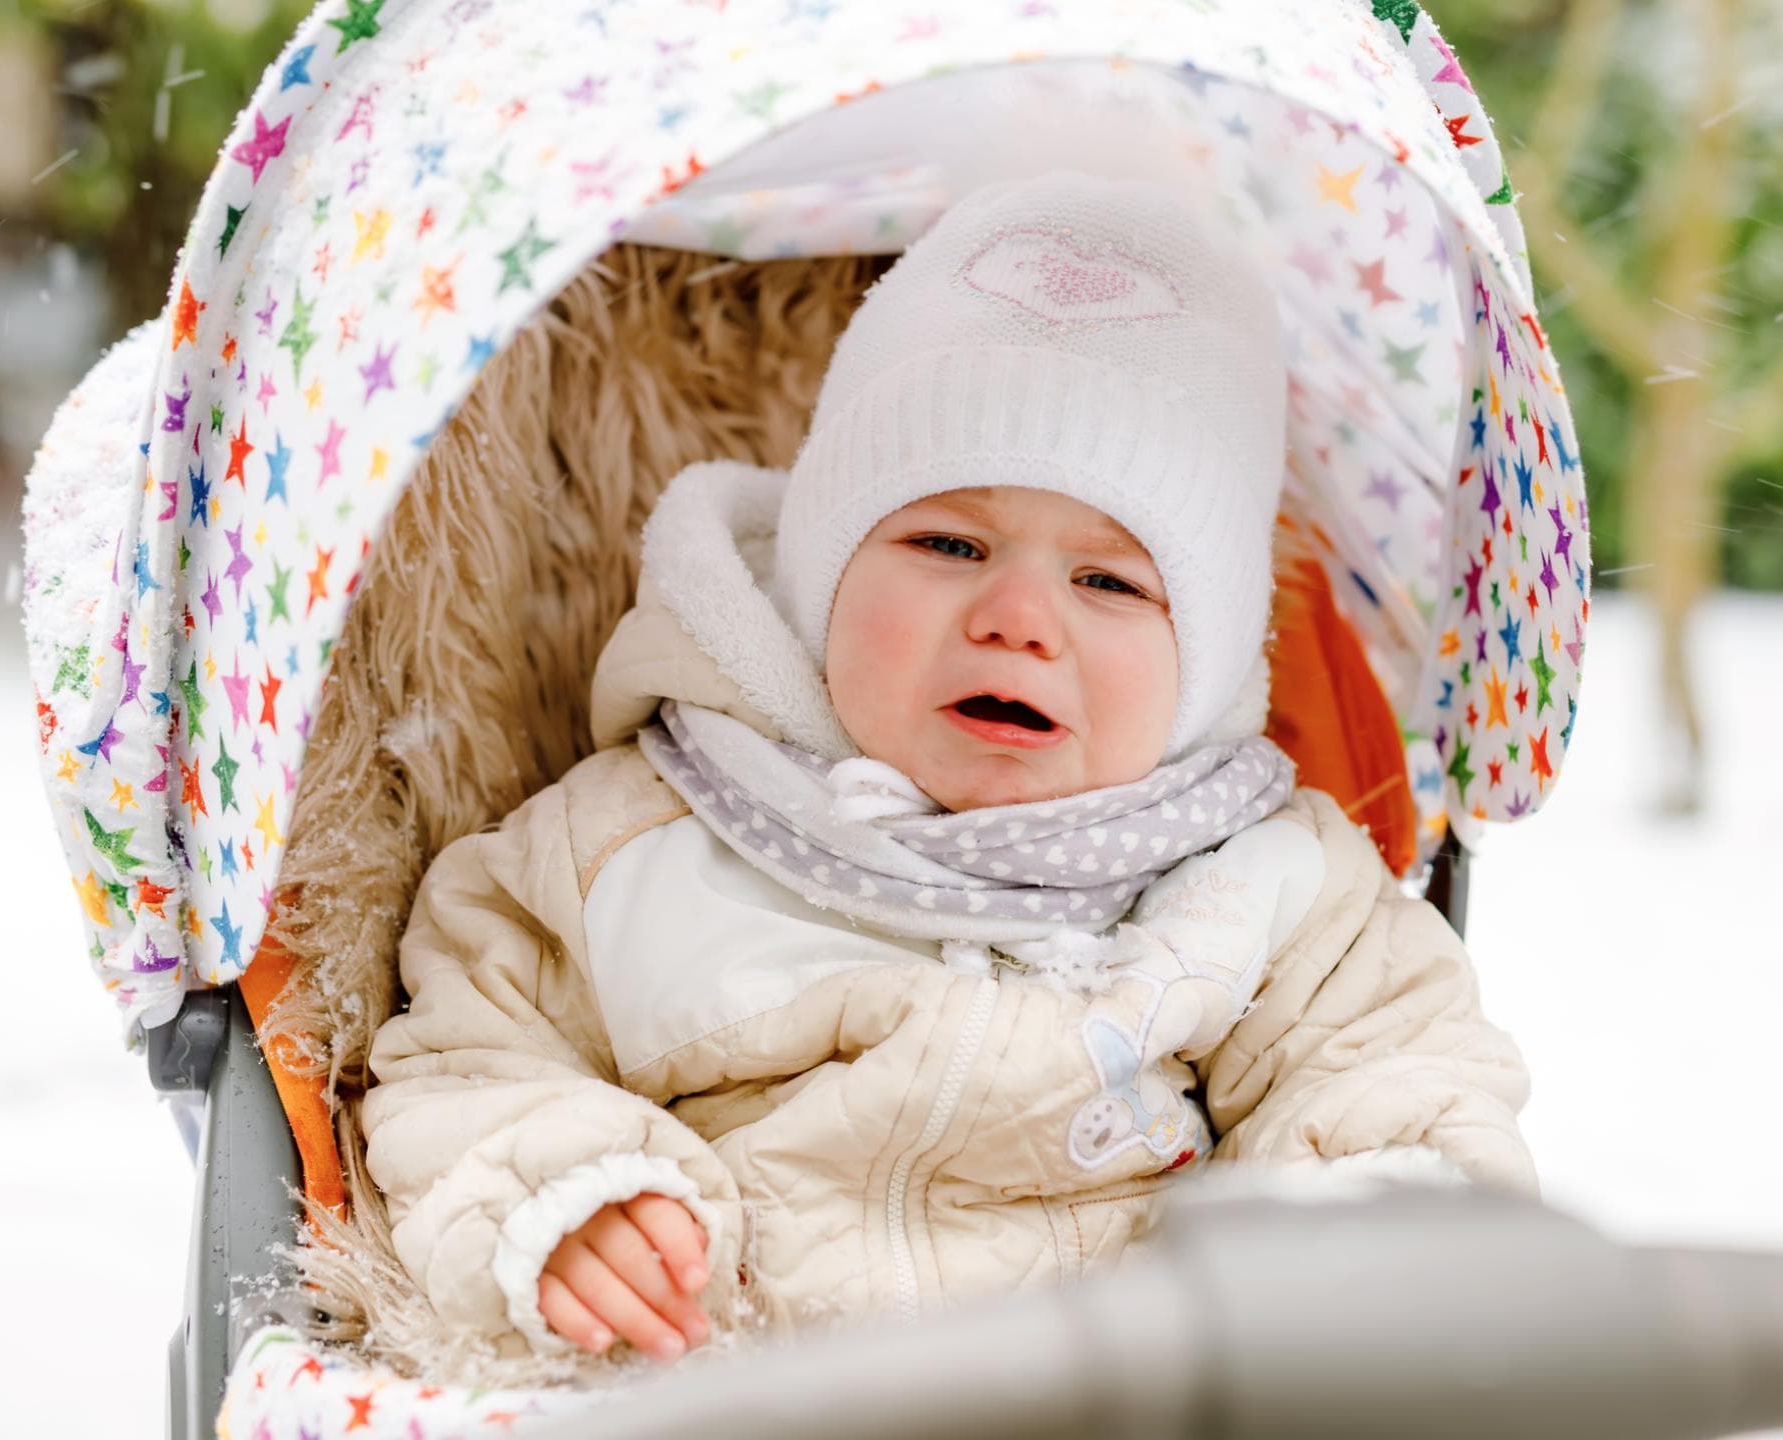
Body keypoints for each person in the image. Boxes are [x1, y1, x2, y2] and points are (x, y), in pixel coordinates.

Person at [361, 171, 1533, 1369]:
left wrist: (1375, 1210)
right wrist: (568, 1192)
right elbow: (470, 1050)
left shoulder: (1272, 887)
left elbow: (1389, 1070)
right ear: (821, 577)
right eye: (947, 542)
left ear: (1209, 656)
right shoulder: (630, 844)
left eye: (1112, 581)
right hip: (732, 1384)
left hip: (1121, 1392)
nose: (1019, 616)